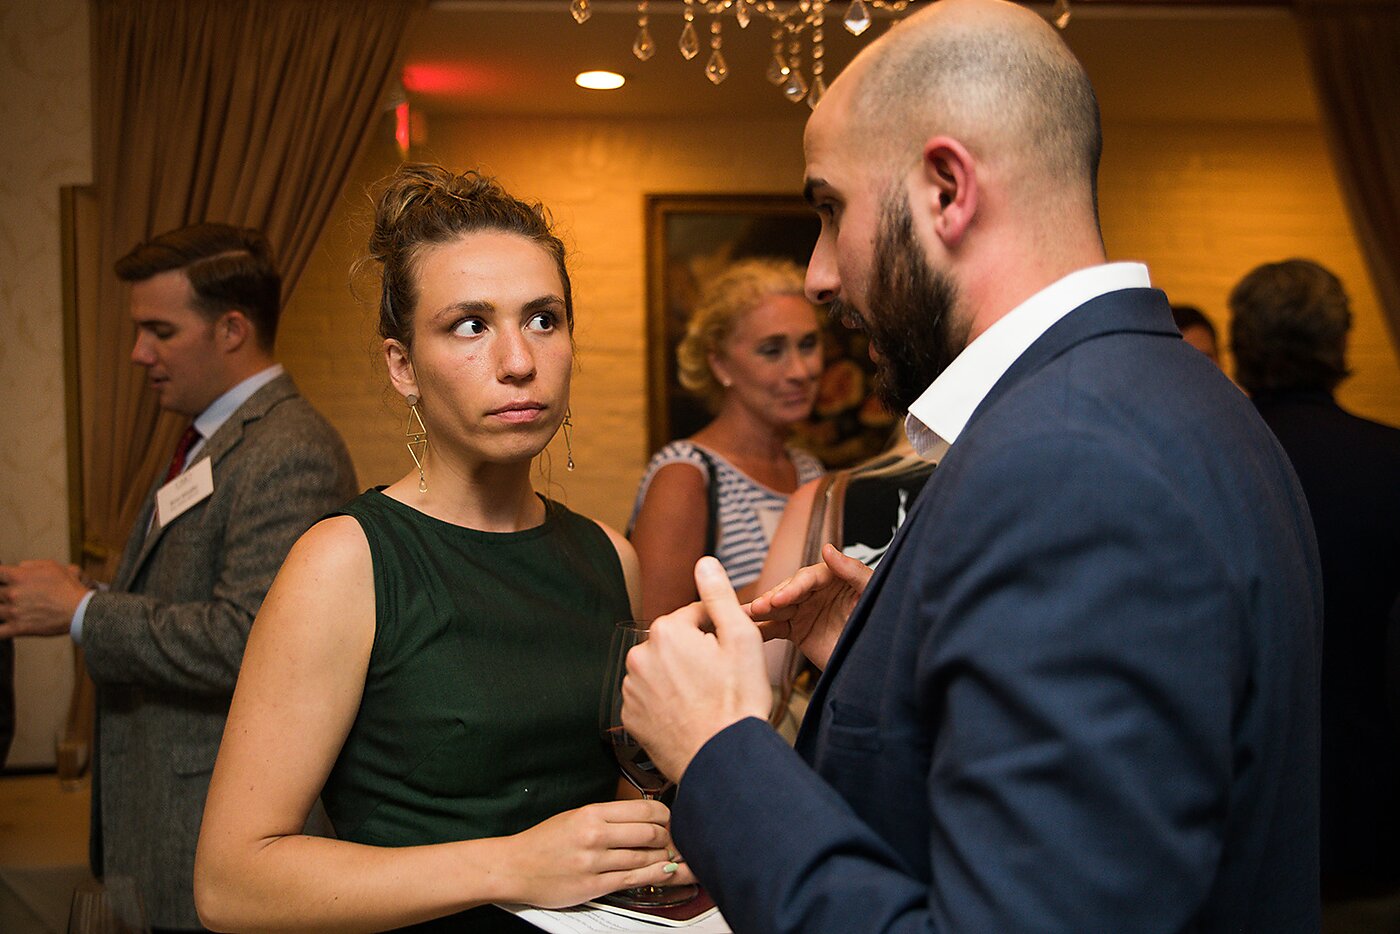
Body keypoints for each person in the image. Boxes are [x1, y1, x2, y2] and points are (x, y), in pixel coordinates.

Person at [619, 1, 1324, 930]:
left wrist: (720, 754)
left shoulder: (1071, 463)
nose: (820, 273)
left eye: (831, 210)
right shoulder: (1177, 395)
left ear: (948, 190)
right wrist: (895, 657)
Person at [193, 164, 693, 933]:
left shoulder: (606, 557)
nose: (518, 361)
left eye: (543, 319)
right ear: (403, 366)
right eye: (469, 325)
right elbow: (231, 883)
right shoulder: (348, 562)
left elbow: (615, 812)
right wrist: (510, 864)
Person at [0, 223, 356, 931]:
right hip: (162, 822)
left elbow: (250, 640)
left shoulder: (289, 448)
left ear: (231, 329)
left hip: (212, 828)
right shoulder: (209, 438)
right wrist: (95, 597)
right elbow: (198, 599)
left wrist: (82, 613)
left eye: (159, 331)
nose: (139, 353)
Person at [1229, 259, 1400, 918]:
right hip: (1379, 822)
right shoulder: (1388, 463)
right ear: (1341, 341)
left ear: (1243, 345)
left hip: (1249, 825)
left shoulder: (1213, 461)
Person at [628, 258, 825, 621]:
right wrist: (785, 592)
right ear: (719, 364)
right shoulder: (687, 474)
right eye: (772, 350)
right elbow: (653, 632)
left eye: (808, 344)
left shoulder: (810, 471)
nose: (800, 371)